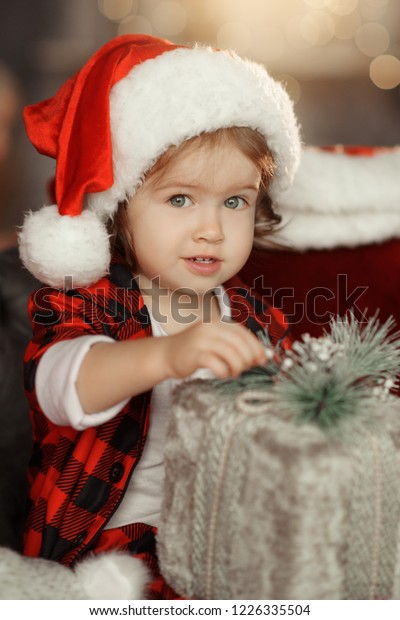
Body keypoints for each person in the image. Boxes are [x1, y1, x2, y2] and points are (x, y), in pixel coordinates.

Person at [18, 34, 301, 599]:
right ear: (120, 209)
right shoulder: (89, 302)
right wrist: (168, 354)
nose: (212, 229)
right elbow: (62, 385)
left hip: (227, 539)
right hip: (109, 545)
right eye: (180, 200)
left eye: (235, 201)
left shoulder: (256, 319)